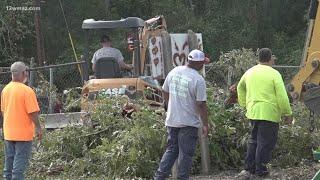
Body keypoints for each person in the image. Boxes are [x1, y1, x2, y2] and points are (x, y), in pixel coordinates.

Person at [237, 48, 293, 179]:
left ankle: (248, 169)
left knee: (254, 140)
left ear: (259, 59)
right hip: (269, 113)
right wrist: (287, 113)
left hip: (253, 112)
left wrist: (245, 104)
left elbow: (240, 87)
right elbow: (282, 96)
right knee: (265, 142)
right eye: (273, 57)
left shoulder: (249, 72)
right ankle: (260, 170)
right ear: (270, 59)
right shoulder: (274, 74)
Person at [154, 49, 209, 180]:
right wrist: (205, 124)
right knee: (186, 154)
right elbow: (201, 104)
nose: (203, 66)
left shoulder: (174, 71)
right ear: (199, 63)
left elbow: (164, 90)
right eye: (203, 63)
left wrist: (169, 106)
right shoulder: (198, 79)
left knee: (171, 150)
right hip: (188, 123)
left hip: (172, 120)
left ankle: (159, 177)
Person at [1, 61, 42, 180]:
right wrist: (38, 128)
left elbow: (3, 111)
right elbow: (33, 113)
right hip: (23, 135)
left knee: (8, 167)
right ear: (24, 73)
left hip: (9, 133)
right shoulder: (27, 91)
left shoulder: (5, 90)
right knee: (18, 168)